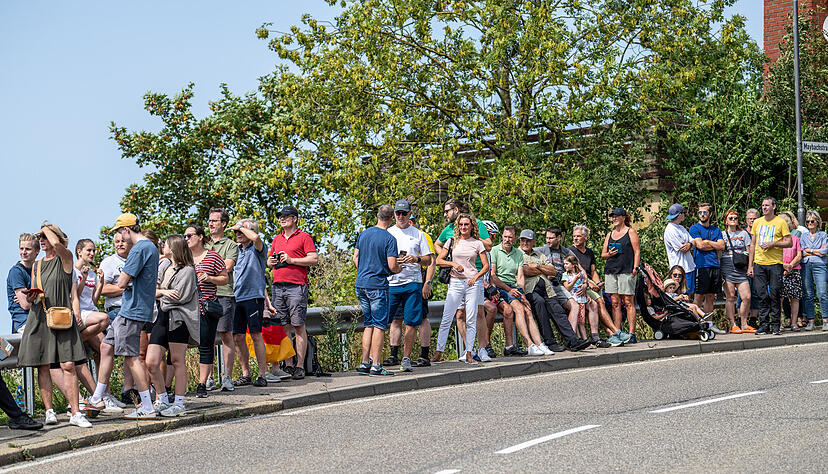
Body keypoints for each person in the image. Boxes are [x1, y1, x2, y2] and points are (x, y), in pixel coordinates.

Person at [17, 223, 91, 428]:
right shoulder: (37, 265)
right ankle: (49, 411)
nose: (41, 239)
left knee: (68, 365)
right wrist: (32, 297)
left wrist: (45, 227)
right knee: (43, 365)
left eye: (44, 236)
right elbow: (31, 298)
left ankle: (75, 412)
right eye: (39, 237)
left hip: (62, 317)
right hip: (40, 316)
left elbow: (58, 244)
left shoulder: (65, 258)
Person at [87, 213, 159, 419]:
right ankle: (98, 397)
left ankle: (147, 406)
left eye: (119, 232)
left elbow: (121, 282)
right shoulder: (151, 247)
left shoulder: (138, 249)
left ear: (127, 230)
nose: (119, 238)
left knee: (131, 357)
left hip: (132, 309)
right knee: (106, 346)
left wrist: (125, 280)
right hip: (133, 307)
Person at [147, 234, 200, 416]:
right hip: (162, 317)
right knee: (151, 361)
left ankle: (179, 402)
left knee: (177, 361)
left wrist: (162, 295)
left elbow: (180, 297)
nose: (163, 246)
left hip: (179, 319)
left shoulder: (188, 271)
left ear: (174, 247)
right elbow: (154, 293)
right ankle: (162, 397)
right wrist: (164, 293)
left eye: (166, 244)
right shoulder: (167, 268)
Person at [434, 199, 492, 356]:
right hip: (456, 278)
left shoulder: (477, 224)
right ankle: (469, 350)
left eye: (447, 211)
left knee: (478, 313)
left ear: (457, 210)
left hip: (476, 274)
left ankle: (482, 349)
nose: (445, 214)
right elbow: (437, 245)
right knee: (459, 314)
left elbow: (488, 244)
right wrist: (451, 260)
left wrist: (471, 238)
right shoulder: (448, 230)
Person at [267, 205, 318, 381]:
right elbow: (268, 262)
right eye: (280, 216)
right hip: (277, 286)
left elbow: (314, 259)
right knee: (284, 327)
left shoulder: (304, 237)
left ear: (295, 218)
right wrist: (272, 261)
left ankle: (300, 366)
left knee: (298, 326)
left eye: (286, 216)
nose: (282, 218)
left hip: (296, 286)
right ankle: (288, 365)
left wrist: (291, 260)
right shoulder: (276, 239)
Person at [520, 232, 595, 350]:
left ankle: (573, 341)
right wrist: (543, 270)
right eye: (523, 240)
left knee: (557, 310)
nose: (525, 243)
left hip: (547, 289)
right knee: (540, 303)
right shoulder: (518, 254)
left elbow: (553, 271)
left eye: (528, 240)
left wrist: (537, 266)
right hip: (531, 290)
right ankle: (551, 343)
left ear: (533, 241)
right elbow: (526, 271)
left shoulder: (539, 255)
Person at [352, 205, 402, 376]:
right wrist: (398, 268)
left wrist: (365, 269)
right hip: (378, 285)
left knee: (368, 324)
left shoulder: (364, 234)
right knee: (379, 326)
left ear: (377, 216)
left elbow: (355, 258)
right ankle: (377, 364)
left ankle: (365, 362)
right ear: (392, 218)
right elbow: (392, 265)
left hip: (361, 284)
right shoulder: (389, 239)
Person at [383, 200, 432, 372]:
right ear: (394, 215)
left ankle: (406, 358)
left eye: (404, 213)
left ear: (410, 214)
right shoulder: (388, 233)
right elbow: (381, 256)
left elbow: (428, 259)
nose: (401, 217)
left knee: (411, 323)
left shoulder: (418, 234)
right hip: (392, 283)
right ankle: (386, 356)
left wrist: (415, 259)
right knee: (388, 321)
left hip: (413, 283)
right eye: (398, 213)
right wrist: (393, 261)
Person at [488, 227, 552, 356]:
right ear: (502, 237)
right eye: (505, 237)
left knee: (527, 309)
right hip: (501, 286)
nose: (507, 240)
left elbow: (520, 276)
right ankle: (529, 344)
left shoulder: (518, 253)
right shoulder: (494, 250)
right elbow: (493, 275)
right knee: (519, 308)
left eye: (510, 237)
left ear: (514, 239)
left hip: (513, 287)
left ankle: (539, 344)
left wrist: (521, 293)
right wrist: (509, 290)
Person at [186, 225, 229, 397]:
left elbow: (225, 278)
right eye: (185, 236)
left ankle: (202, 384)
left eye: (190, 235)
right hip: (185, 309)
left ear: (200, 237)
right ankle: (171, 387)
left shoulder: (213, 256)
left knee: (205, 345)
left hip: (206, 307)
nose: (186, 238)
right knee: (178, 347)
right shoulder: (184, 257)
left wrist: (210, 278)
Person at [569, 225, 630, 346]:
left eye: (578, 236)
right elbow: (576, 272)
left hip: (590, 283)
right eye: (574, 236)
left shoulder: (589, 252)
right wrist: (589, 284)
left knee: (606, 301)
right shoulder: (571, 252)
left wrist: (597, 283)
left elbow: (593, 271)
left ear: (585, 237)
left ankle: (611, 334)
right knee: (599, 302)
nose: (575, 239)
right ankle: (615, 332)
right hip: (579, 285)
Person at [228, 218, 269, 387]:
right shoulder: (236, 250)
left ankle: (262, 374)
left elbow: (256, 238)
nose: (237, 234)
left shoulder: (258, 248)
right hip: (236, 297)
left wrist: (241, 227)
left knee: (256, 335)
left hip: (253, 297)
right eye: (236, 232)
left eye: (241, 231)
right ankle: (246, 373)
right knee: (237, 336)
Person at [99, 231, 137, 404]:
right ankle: (103, 394)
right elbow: (102, 289)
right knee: (122, 351)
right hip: (117, 309)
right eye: (116, 241)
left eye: (123, 241)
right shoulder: (109, 262)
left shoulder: (136, 258)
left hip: (136, 309)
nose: (120, 244)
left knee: (134, 352)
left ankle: (129, 390)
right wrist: (125, 288)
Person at [205, 208, 239, 391]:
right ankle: (207, 377)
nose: (210, 224)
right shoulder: (204, 244)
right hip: (204, 294)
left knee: (226, 335)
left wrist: (206, 270)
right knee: (207, 337)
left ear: (223, 224)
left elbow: (227, 267)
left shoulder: (231, 245)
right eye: (209, 221)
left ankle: (227, 377)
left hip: (224, 293)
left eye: (214, 221)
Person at [748, 197, 792, 335]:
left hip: (775, 264)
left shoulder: (780, 222)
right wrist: (750, 265)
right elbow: (753, 244)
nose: (764, 208)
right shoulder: (757, 222)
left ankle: (775, 326)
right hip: (759, 264)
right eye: (762, 205)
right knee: (761, 294)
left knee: (774, 294)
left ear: (774, 206)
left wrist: (773, 243)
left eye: (767, 205)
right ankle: (763, 325)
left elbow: (789, 243)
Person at [601, 208, 641, 342]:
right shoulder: (609, 234)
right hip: (611, 270)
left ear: (624, 217)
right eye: (613, 216)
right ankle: (618, 332)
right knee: (615, 303)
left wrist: (635, 268)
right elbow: (603, 255)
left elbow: (637, 251)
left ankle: (631, 334)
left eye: (617, 216)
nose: (614, 218)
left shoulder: (631, 232)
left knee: (629, 302)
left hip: (627, 270)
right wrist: (610, 254)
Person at [534, 227, 580, 327]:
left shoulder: (566, 252)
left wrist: (585, 285)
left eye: (551, 238)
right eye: (546, 238)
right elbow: (525, 251)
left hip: (561, 286)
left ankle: (573, 339)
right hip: (546, 287)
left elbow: (578, 269)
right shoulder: (540, 250)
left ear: (559, 238)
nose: (547, 240)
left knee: (575, 306)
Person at [689, 203, 725, 325]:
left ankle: (709, 324)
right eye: (700, 212)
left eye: (704, 212)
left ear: (710, 214)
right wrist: (713, 245)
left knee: (711, 297)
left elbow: (722, 246)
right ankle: (695, 324)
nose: (702, 215)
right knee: (698, 297)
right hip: (701, 266)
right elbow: (700, 245)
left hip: (714, 266)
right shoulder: (694, 228)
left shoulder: (716, 230)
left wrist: (708, 242)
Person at [72, 239, 110, 353]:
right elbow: (75, 296)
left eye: (94, 251)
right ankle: (75, 342)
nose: (92, 253)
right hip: (81, 313)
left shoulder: (92, 274)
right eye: (89, 250)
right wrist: (83, 279)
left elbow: (93, 301)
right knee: (105, 319)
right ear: (79, 252)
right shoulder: (72, 271)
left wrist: (101, 283)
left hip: (92, 313)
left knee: (104, 351)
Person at [720, 210, 754, 333]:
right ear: (726, 220)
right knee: (730, 297)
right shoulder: (722, 234)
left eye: (735, 217)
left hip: (741, 267)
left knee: (747, 296)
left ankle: (744, 324)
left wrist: (750, 266)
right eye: (730, 218)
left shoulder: (744, 234)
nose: (733, 220)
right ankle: (733, 325)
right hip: (727, 267)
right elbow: (719, 252)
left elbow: (749, 251)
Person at [409, 215, 437, 366]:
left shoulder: (423, 236)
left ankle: (424, 354)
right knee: (399, 319)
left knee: (422, 317)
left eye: (409, 220)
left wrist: (428, 283)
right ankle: (396, 354)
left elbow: (432, 262)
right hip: (402, 282)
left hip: (420, 279)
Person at [800, 211, 827, 331]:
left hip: (819, 265)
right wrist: (816, 250)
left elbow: (824, 251)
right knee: (808, 294)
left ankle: (825, 320)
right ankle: (811, 321)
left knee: (822, 293)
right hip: (806, 265)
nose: (810, 223)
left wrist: (809, 250)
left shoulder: (823, 235)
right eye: (807, 221)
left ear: (817, 222)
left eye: (812, 221)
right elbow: (801, 252)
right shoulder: (803, 236)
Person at [7, 233, 39, 334]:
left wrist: (33, 300)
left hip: (39, 319)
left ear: (37, 251)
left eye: (28, 249)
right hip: (23, 323)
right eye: (21, 249)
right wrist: (40, 298)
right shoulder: (16, 272)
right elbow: (25, 305)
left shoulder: (39, 270)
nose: (23, 252)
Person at [663, 203, 697, 296]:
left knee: (689, 294)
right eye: (683, 213)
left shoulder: (681, 228)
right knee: (680, 294)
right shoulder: (670, 230)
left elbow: (694, 242)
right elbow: (683, 249)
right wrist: (690, 244)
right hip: (678, 269)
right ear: (679, 215)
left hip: (689, 267)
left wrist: (690, 244)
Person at [779, 212, 803, 331]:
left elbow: (799, 254)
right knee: (779, 298)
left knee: (795, 298)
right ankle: (779, 323)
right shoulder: (777, 240)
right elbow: (774, 256)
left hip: (794, 271)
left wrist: (790, 266)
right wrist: (784, 267)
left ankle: (794, 323)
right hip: (780, 271)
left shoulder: (795, 238)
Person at [561, 255, 590, 339]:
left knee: (581, 322)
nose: (564, 266)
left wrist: (587, 295)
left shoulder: (580, 274)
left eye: (567, 264)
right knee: (575, 321)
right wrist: (574, 280)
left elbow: (583, 286)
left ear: (573, 264)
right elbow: (567, 288)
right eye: (564, 264)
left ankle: (585, 339)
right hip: (573, 299)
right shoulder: (565, 275)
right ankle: (576, 338)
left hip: (581, 299)